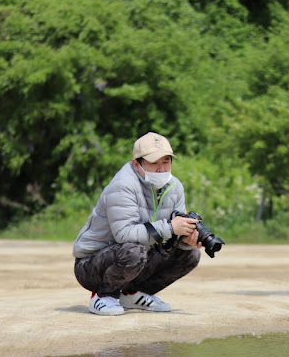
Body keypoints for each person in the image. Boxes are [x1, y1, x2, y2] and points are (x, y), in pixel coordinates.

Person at [73, 132, 201, 316]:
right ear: (136, 163)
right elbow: (124, 234)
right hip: (91, 266)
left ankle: (134, 294)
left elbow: (169, 235)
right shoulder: (123, 184)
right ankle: (102, 296)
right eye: (154, 162)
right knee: (134, 250)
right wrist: (171, 227)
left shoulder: (175, 187)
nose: (161, 169)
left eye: (166, 161)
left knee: (190, 254)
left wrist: (185, 241)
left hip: (135, 258)